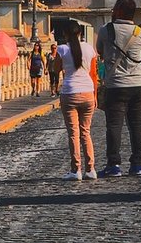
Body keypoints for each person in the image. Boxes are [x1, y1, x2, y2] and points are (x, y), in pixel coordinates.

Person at [96, 0, 141, 177]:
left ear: (118, 10)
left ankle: (114, 165)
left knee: (114, 125)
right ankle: (137, 165)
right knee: (136, 124)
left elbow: (100, 51)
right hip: (137, 84)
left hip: (116, 84)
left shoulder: (106, 30)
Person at [53, 18, 99, 181]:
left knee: (73, 133)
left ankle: (76, 169)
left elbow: (56, 69)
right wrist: (95, 96)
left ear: (65, 34)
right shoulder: (89, 48)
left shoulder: (62, 49)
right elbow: (94, 74)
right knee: (86, 132)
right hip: (87, 91)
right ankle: (91, 169)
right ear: (80, 33)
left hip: (70, 92)